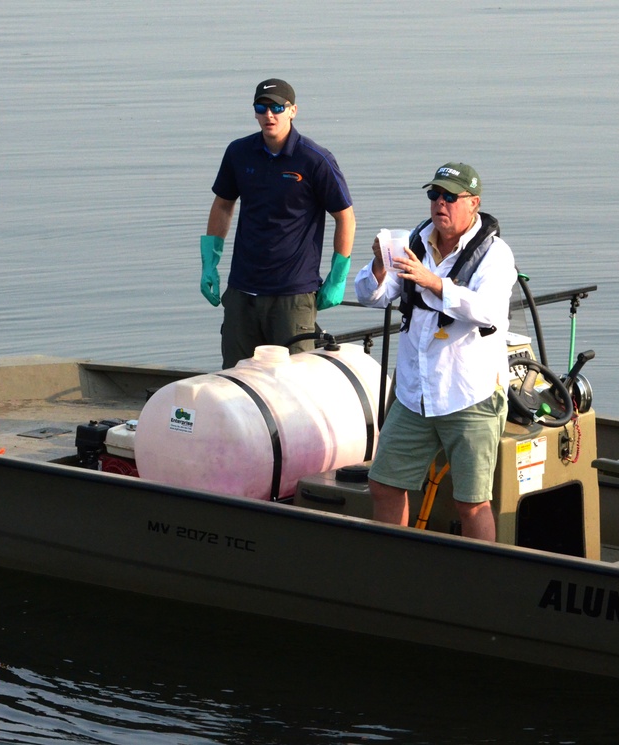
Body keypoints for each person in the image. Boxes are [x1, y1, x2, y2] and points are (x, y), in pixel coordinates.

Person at [354, 163, 515, 541]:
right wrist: (379, 265)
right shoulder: (413, 243)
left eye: (449, 197)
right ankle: (393, 570)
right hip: (414, 394)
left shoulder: (495, 255)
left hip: (469, 394)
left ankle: (480, 580)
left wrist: (435, 283)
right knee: (384, 485)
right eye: (433, 195)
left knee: (472, 503)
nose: (439, 204)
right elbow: (370, 296)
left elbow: (488, 311)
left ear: (473, 203)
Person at [200, 78, 356, 369]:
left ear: (293, 110)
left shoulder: (315, 159)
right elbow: (223, 205)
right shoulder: (238, 152)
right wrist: (209, 263)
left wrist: (337, 278)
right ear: (255, 112)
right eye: (262, 107)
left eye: (276, 108)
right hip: (242, 290)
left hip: (293, 293)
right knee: (237, 376)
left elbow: (344, 216)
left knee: (293, 382)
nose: (269, 115)